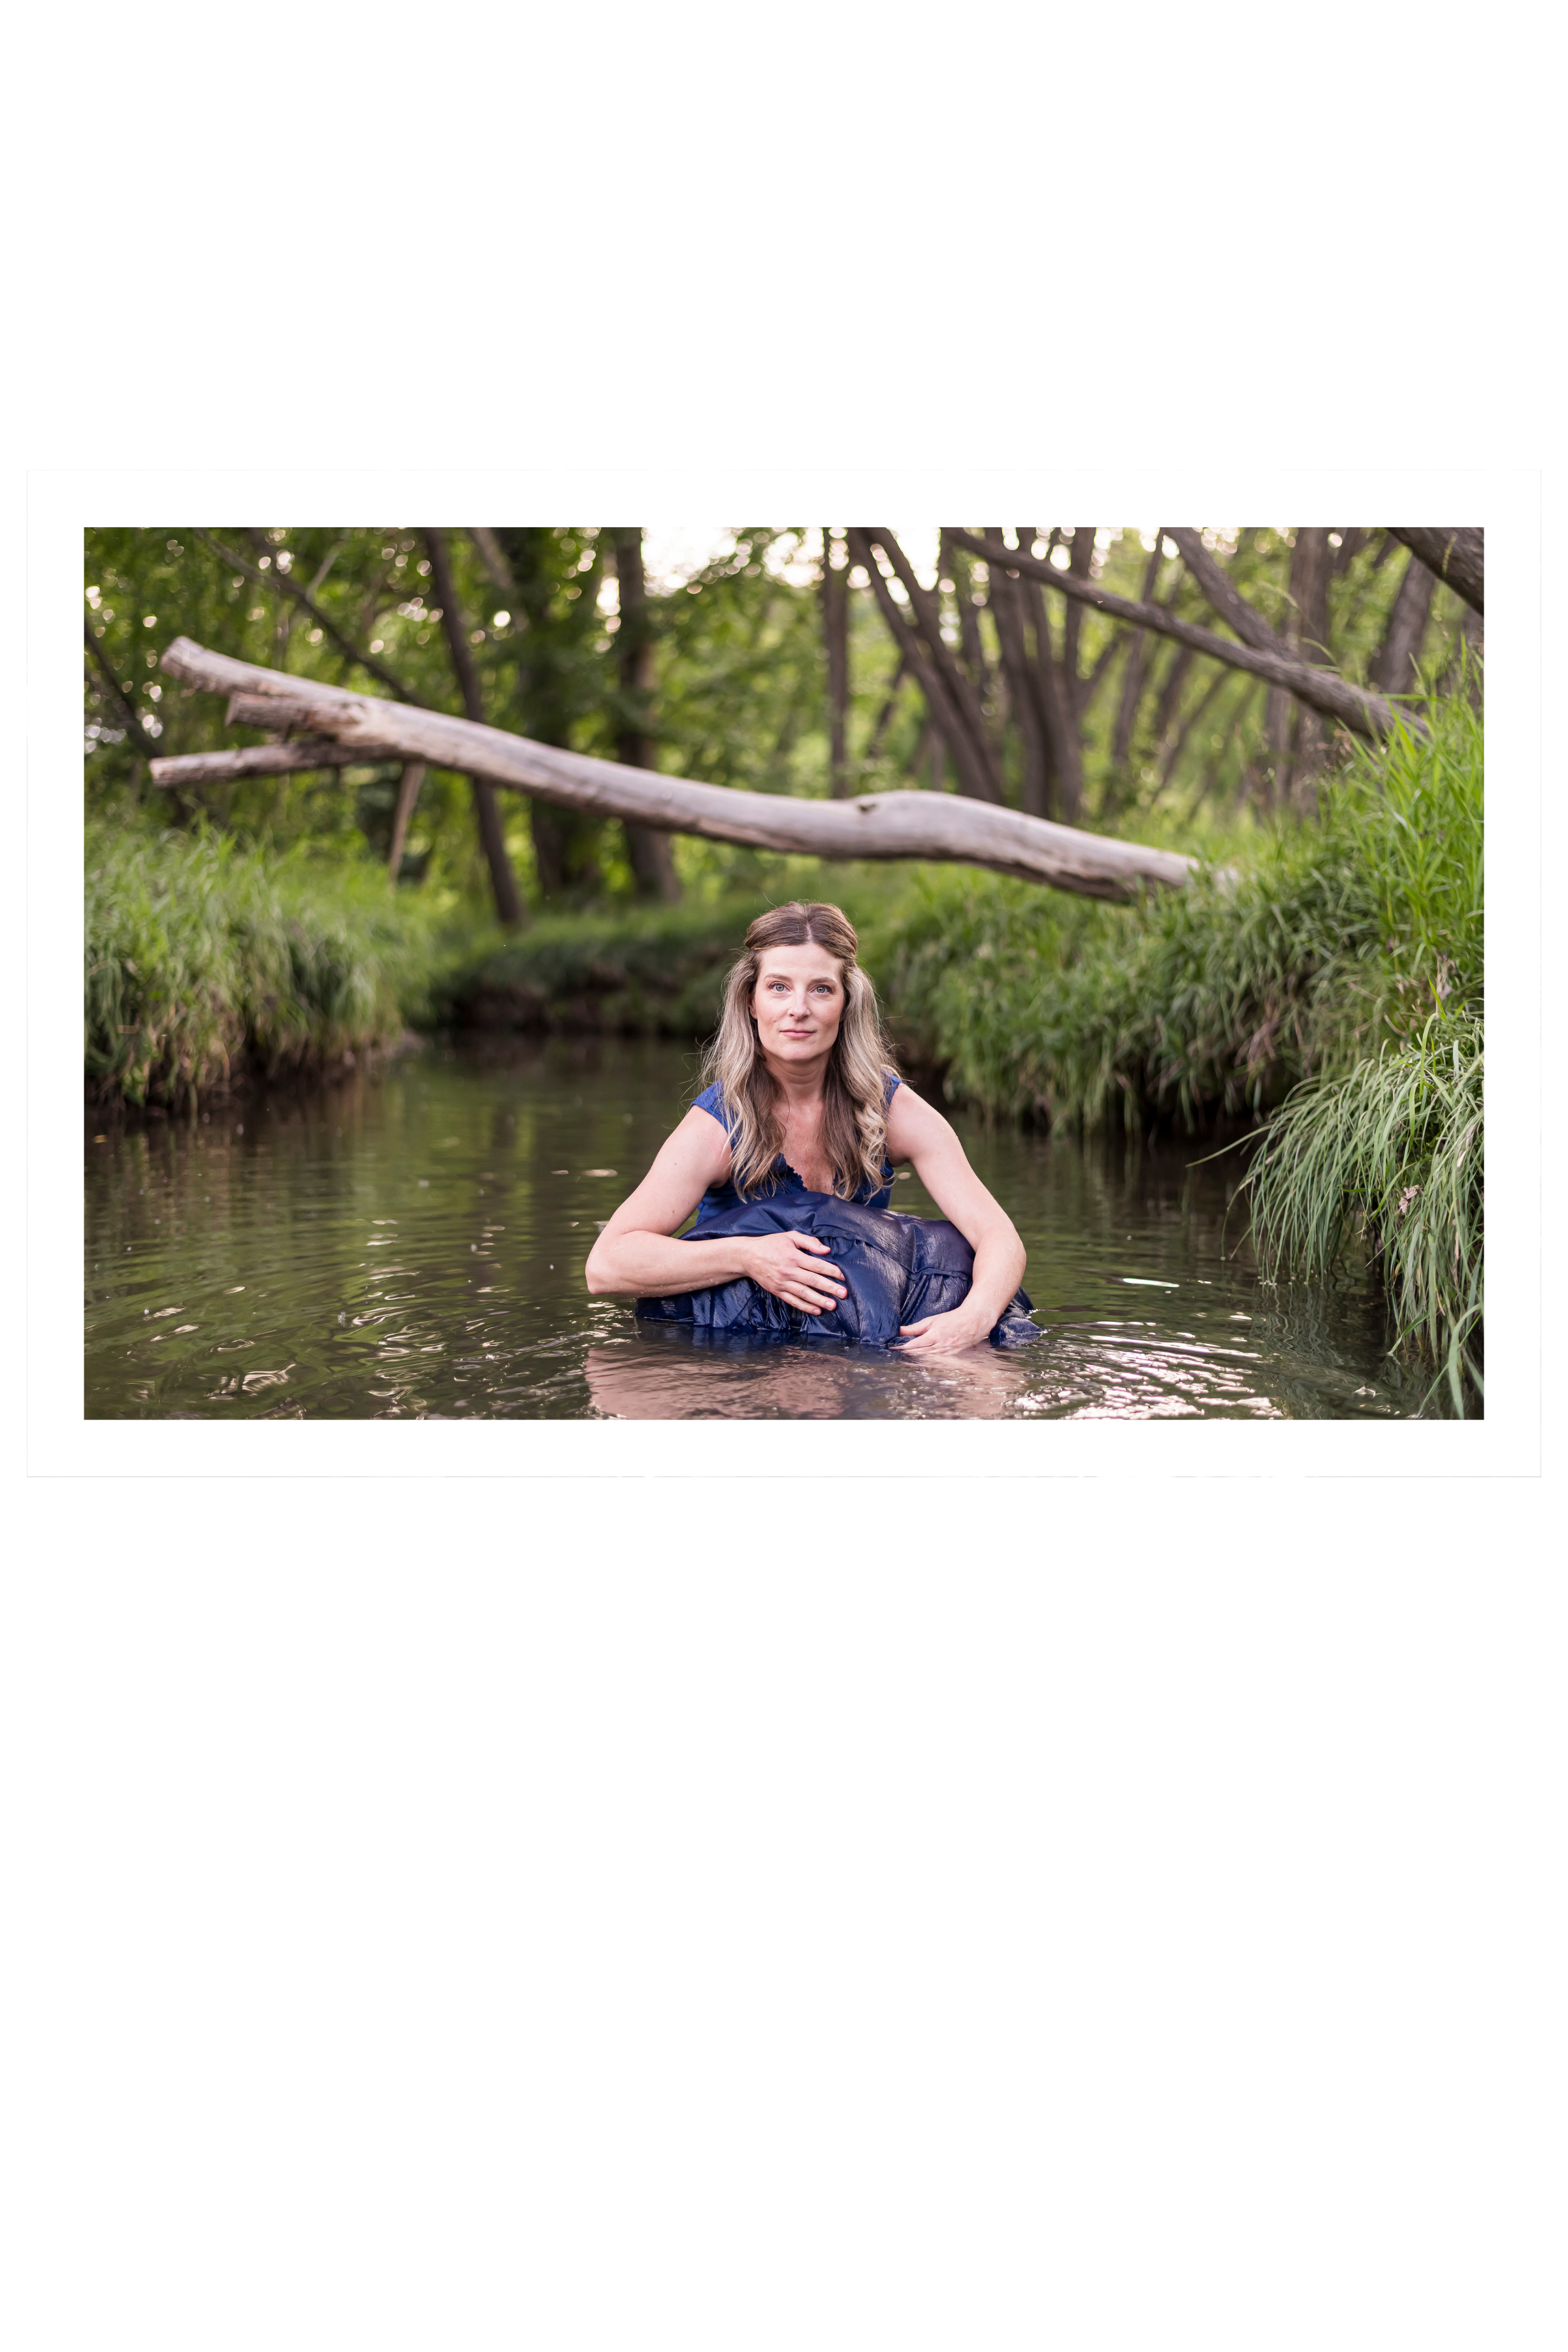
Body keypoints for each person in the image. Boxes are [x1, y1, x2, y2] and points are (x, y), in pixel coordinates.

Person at [583, 901, 1036, 1354]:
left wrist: (971, 1320)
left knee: (976, 1367)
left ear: (846, 1003)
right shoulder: (718, 1125)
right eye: (779, 987)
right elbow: (606, 1265)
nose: (798, 1009)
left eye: (820, 989)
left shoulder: (890, 1109)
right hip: (737, 1344)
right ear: (751, 1002)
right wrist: (748, 1255)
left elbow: (999, 1236)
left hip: (849, 1336)